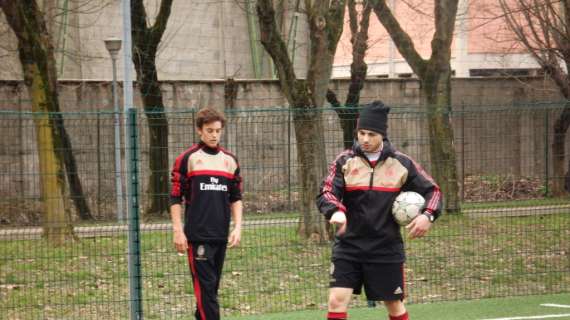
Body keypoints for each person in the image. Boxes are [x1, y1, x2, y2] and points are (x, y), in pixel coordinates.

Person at [316, 101, 442, 320]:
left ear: (382, 135)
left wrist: (427, 216)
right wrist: (334, 210)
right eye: (361, 133)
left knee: (394, 305)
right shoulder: (344, 161)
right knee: (336, 300)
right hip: (349, 245)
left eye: (371, 134)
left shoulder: (402, 163)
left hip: (385, 247)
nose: (364, 139)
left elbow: (434, 191)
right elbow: (326, 191)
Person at [170, 107, 243, 320]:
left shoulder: (230, 160)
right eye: (209, 130)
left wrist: (238, 227)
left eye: (218, 131)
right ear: (199, 131)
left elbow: (236, 197)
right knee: (207, 291)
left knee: (208, 292)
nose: (214, 135)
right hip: (197, 237)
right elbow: (175, 197)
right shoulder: (187, 159)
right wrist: (177, 231)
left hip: (220, 235)